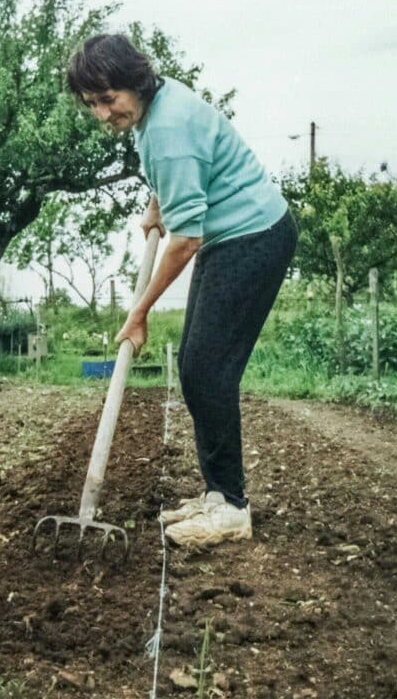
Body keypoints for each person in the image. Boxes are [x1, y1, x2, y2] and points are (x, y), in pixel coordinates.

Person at [66, 34, 297, 548]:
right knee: (196, 368)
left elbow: (185, 239)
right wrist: (159, 199)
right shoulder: (159, 105)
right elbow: (188, 167)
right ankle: (217, 494)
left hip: (251, 237)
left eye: (108, 99)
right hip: (234, 234)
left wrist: (139, 312)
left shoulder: (165, 126)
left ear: (136, 82)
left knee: (208, 371)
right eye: (91, 105)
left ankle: (232, 508)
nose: (103, 114)